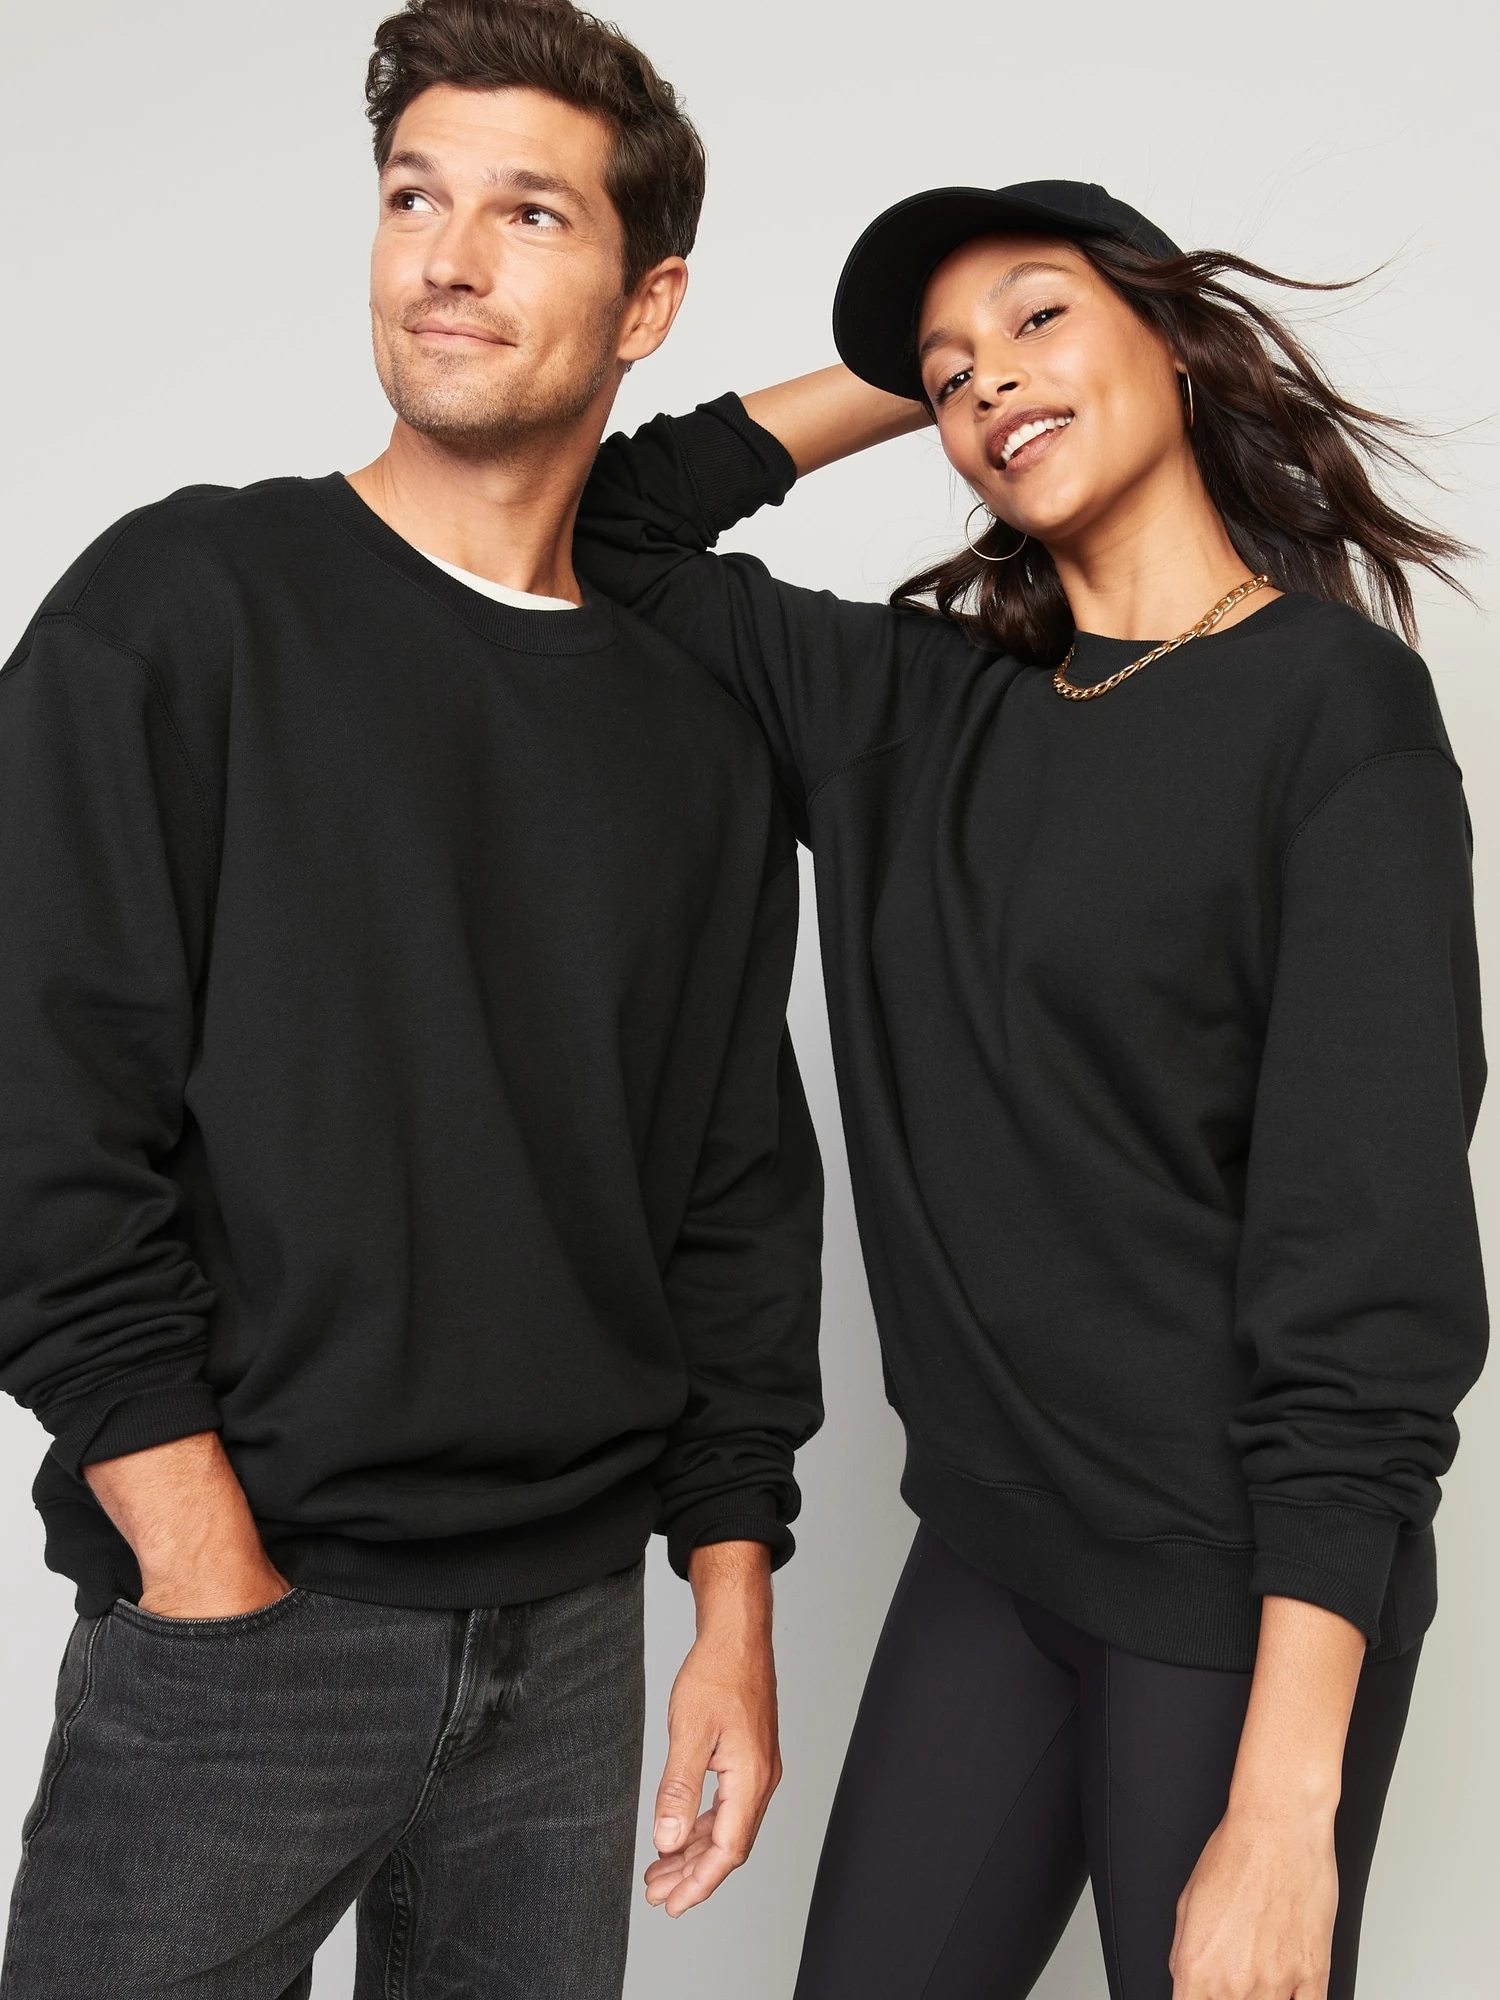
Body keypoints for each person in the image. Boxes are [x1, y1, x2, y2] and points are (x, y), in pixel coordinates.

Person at [572, 179, 1488, 1999]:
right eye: (949, 370)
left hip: (1236, 1595)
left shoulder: (1334, 714)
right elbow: (607, 529)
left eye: (1043, 315)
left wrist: (1284, 1808)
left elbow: (1369, 1269)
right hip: (994, 1550)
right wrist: (924, 382)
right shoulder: (914, 716)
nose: (988, 376)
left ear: (1175, 339)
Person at [0, 4, 823, 1995]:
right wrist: (195, 1550)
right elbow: (33, 1097)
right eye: (411, 198)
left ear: (647, 305)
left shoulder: (695, 730)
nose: (446, 259)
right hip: (248, 1624)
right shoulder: (184, 605)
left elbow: (730, 1187)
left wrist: (730, 1603)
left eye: (529, 213)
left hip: (573, 1644)